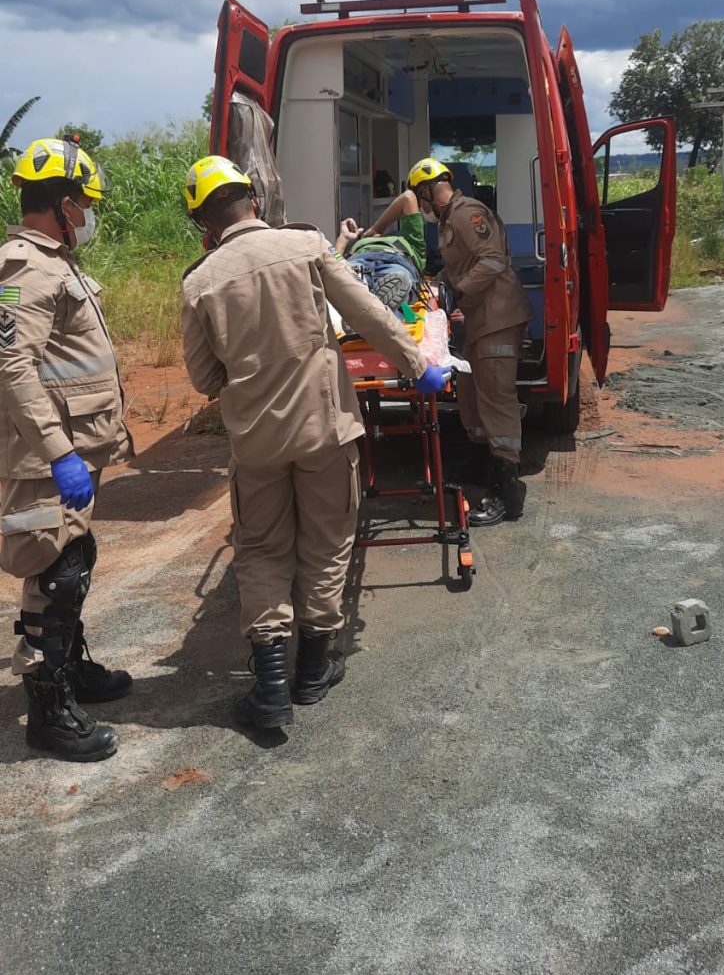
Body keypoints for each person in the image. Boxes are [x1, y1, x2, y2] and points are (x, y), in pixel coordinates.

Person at [180, 156, 447, 731]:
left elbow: (204, 379)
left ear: (204, 223)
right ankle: (312, 673)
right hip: (326, 431)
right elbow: (367, 314)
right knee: (327, 544)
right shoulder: (304, 247)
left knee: (262, 552)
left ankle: (270, 689)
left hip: (256, 445)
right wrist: (414, 362)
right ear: (254, 200)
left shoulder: (199, 281)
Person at [0, 138, 133, 762]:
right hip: (45, 455)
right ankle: (47, 714)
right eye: (85, 201)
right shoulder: (23, 266)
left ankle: (70, 671)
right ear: (63, 204)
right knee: (51, 573)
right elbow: (11, 365)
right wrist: (57, 451)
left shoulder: (57, 260)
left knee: (73, 556)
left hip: (72, 452)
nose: (89, 211)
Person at [407, 158, 533, 525]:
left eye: (421, 197)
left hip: (499, 318)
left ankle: (508, 493)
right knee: (471, 395)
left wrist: (455, 292)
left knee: (496, 400)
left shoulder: (467, 213)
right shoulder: (450, 221)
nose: (422, 205)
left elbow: (493, 260)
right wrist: (436, 281)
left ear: (428, 190)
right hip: (478, 322)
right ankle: (481, 466)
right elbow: (462, 265)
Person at [334, 188, 426, 310]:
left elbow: (408, 197)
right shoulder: (358, 246)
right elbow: (333, 264)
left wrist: (376, 229)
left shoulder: (413, 244)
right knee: (342, 278)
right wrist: (343, 238)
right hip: (362, 261)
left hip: (396, 263)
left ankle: (360, 308)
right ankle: (370, 311)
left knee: (398, 284)